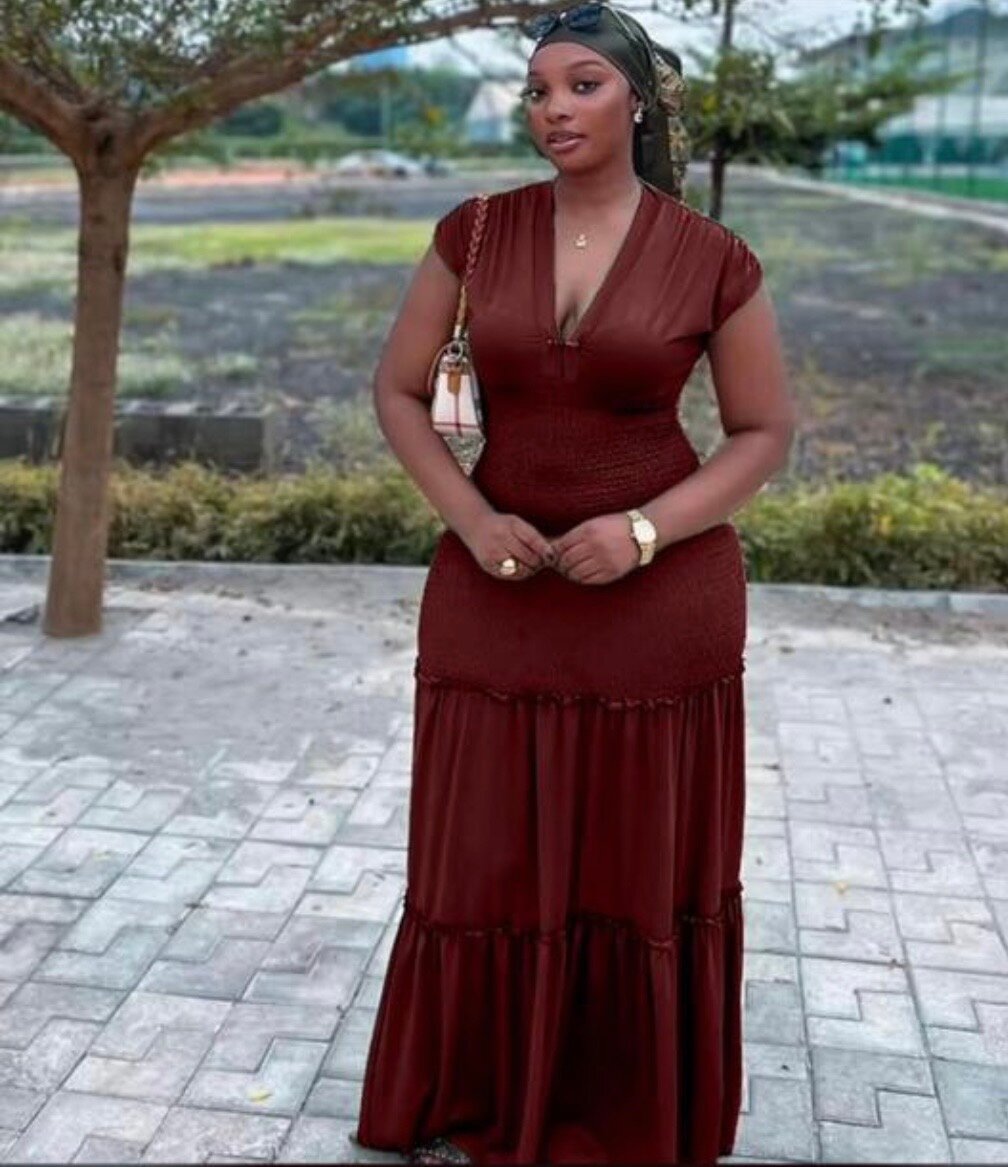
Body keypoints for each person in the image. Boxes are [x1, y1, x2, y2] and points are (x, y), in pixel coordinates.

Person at [352, 3, 794, 1162]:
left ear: (639, 99)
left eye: (583, 84)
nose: (554, 108)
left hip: (656, 609)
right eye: (539, 89)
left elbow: (763, 434)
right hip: (492, 591)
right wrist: (471, 517)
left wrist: (643, 531)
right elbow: (399, 390)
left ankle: (616, 1109)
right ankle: (480, 1097)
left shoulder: (714, 259)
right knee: (481, 856)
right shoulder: (474, 233)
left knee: (630, 866)